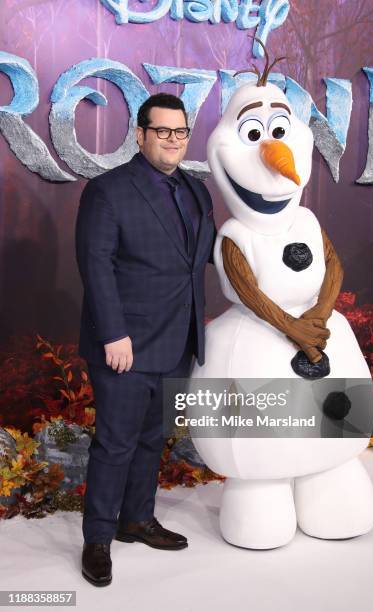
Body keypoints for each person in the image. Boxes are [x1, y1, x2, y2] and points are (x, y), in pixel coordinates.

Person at [75, 93, 216, 587]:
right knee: (115, 443)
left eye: (180, 132)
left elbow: (202, 258)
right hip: (126, 345)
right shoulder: (109, 189)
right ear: (141, 135)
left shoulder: (197, 191)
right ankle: (97, 539)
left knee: (152, 439)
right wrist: (113, 333)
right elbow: (96, 264)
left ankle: (136, 519)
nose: (173, 141)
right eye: (163, 132)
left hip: (179, 339)